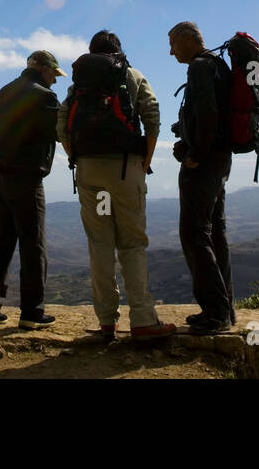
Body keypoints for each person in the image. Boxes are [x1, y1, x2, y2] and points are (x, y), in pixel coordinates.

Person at [58, 30, 175, 341]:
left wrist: (77, 157)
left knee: (100, 245)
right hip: (125, 171)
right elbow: (152, 116)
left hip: (91, 174)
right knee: (132, 244)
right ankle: (143, 320)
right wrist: (145, 161)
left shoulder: (79, 84)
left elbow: (61, 123)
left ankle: (107, 322)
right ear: (119, 51)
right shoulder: (132, 75)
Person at [0, 50, 64, 329]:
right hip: (25, 178)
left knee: (0, 241)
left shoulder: (1, 93)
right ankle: (32, 313)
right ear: (43, 69)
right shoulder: (44, 96)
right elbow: (59, 134)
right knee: (33, 242)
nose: (56, 80)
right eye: (54, 74)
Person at [168, 20, 236, 335]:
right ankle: (223, 309)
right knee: (215, 233)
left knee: (194, 233)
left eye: (173, 44)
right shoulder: (218, 65)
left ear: (189, 40)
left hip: (205, 164)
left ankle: (215, 312)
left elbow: (208, 113)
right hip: (222, 160)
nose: (171, 52)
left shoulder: (199, 67)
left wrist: (195, 153)